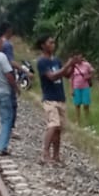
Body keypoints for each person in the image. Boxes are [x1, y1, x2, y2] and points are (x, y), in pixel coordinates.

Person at [33, 35, 83, 165]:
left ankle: (56, 155)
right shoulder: (42, 62)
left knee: (59, 128)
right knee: (53, 124)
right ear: (43, 45)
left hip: (60, 97)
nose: (53, 44)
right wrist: (68, 64)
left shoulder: (56, 60)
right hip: (49, 98)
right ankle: (44, 153)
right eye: (50, 42)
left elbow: (65, 75)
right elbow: (53, 77)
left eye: (54, 42)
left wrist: (73, 65)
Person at [68, 54, 94, 127]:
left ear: (82, 58)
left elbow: (92, 72)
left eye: (80, 57)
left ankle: (87, 121)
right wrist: (71, 89)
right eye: (77, 57)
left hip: (85, 87)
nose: (78, 59)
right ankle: (78, 121)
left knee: (86, 105)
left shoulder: (87, 65)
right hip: (76, 87)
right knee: (77, 105)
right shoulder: (73, 66)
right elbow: (71, 79)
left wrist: (88, 76)